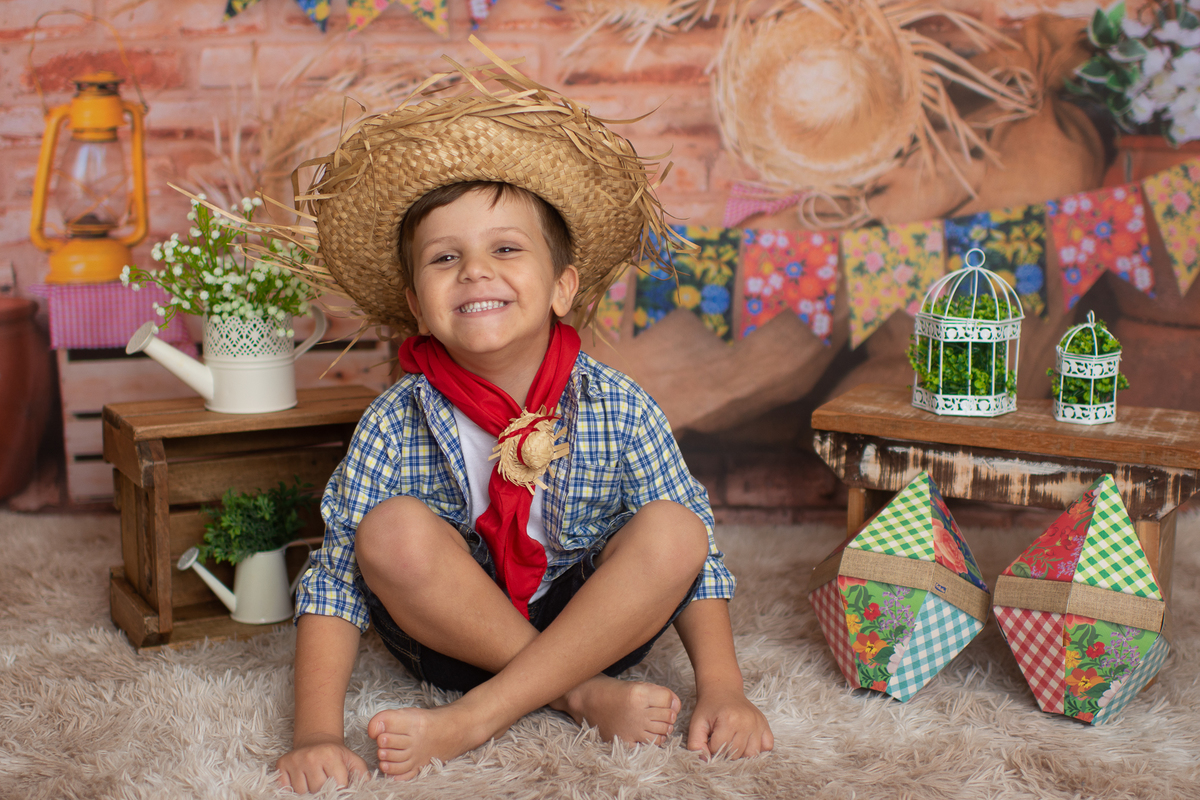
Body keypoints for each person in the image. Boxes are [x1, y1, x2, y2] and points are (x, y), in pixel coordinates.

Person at [274, 42, 773, 793]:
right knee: (389, 531)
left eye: (506, 248)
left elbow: (697, 560)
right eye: (444, 259)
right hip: (452, 641)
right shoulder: (396, 417)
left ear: (563, 287)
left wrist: (725, 689)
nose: (474, 270)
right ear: (416, 304)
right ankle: (578, 696)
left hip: (593, 622)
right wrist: (314, 731)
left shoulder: (614, 403)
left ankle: (475, 718)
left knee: (676, 526)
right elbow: (338, 576)